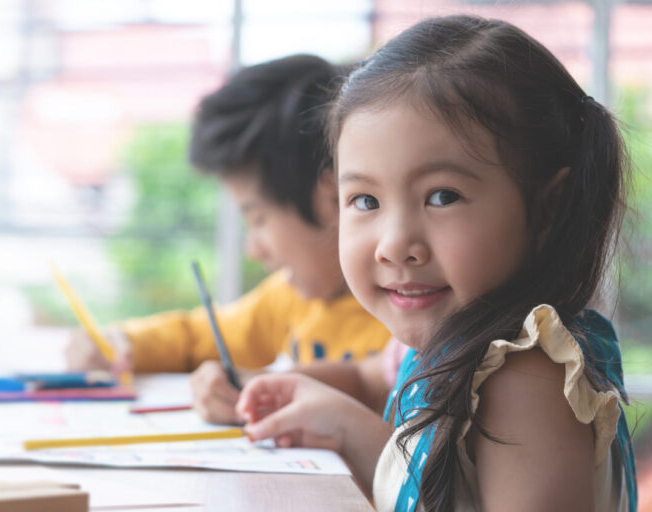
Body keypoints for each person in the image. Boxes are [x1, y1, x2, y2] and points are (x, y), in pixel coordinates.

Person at [237, 15, 637, 512]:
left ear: (547, 209)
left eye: (442, 196)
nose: (394, 244)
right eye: (365, 200)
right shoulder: (448, 344)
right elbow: (372, 386)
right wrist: (271, 392)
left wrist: (349, 426)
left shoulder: (525, 382)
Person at [65, 54, 392, 424]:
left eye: (259, 219)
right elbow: (196, 336)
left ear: (332, 197)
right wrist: (120, 343)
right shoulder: (288, 302)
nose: (253, 248)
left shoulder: (406, 314)